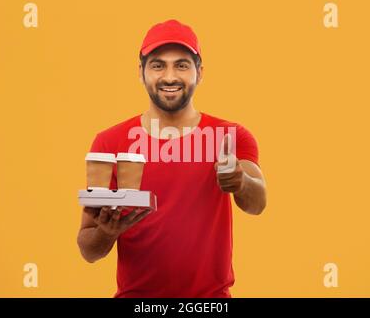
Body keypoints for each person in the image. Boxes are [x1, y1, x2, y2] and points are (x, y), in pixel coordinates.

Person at [77, 19, 267, 298]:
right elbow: (88, 250)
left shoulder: (231, 136)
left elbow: (258, 203)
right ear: (141, 72)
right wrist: (106, 232)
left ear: (199, 72)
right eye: (157, 65)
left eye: (181, 64)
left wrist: (240, 182)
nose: (169, 76)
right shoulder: (109, 142)